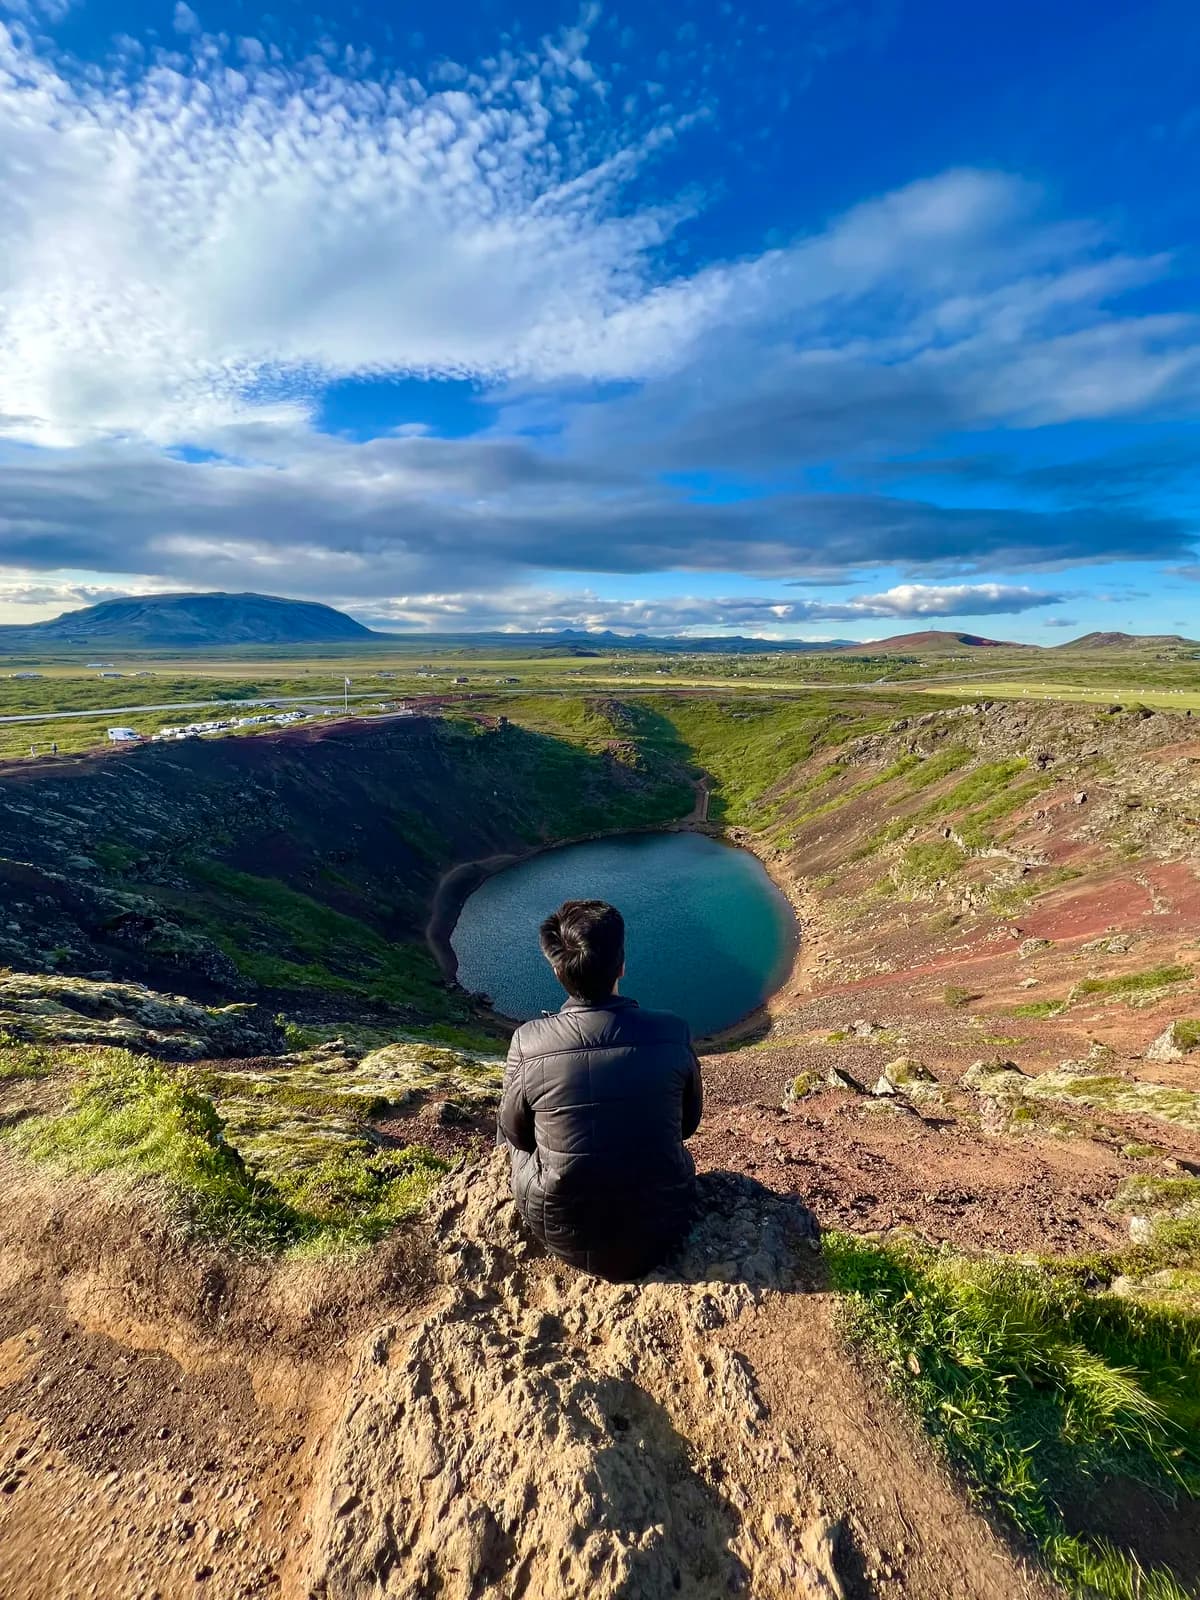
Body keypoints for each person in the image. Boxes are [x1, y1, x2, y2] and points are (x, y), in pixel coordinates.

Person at [498, 898, 703, 1280]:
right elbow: (687, 1126)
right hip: (664, 1222)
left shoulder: (528, 1041)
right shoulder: (673, 1031)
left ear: (558, 972)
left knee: (508, 1120)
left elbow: (517, 1137)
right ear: (621, 965)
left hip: (563, 1231)